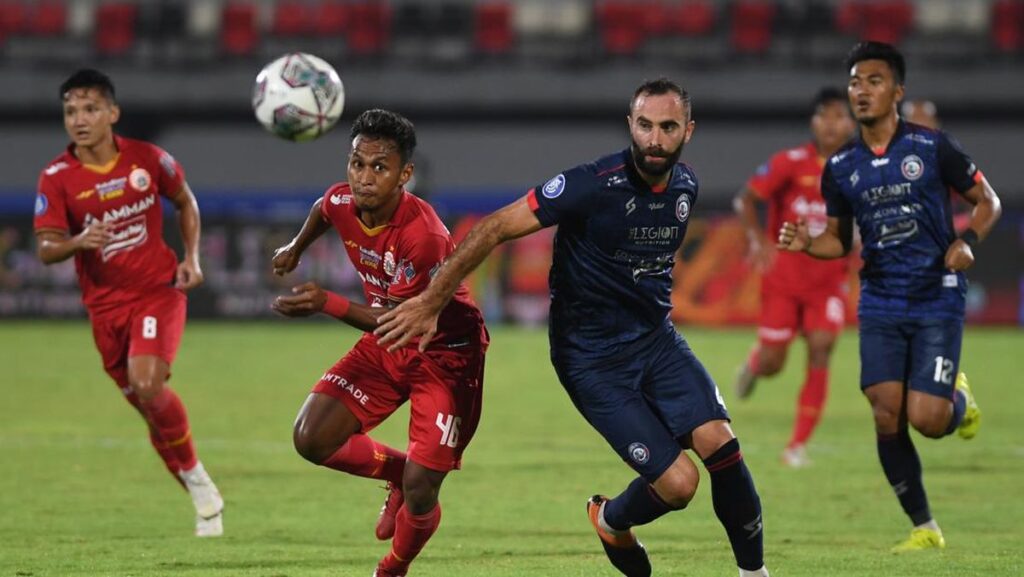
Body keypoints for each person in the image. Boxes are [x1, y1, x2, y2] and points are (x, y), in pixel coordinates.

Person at [376, 79, 769, 577]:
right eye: (644, 125)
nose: (654, 138)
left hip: (656, 341)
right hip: (592, 360)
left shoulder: (684, 187)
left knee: (721, 441)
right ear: (630, 124)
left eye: (667, 127)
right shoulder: (592, 184)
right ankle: (610, 520)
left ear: (687, 131)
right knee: (679, 485)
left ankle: (754, 574)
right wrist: (431, 301)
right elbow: (495, 226)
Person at [777, 42, 1001, 551]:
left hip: (935, 295)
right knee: (884, 411)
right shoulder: (841, 166)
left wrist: (967, 242)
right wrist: (807, 243)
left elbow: (987, 201)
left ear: (897, 92)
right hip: (879, 298)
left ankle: (957, 401)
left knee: (926, 418)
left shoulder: (932, 147)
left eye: (873, 81)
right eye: (856, 81)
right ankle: (924, 528)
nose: (861, 90)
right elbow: (837, 238)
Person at [271, 109, 488, 577]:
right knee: (310, 438)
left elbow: (405, 322)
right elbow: (323, 208)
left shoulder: (423, 236)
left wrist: (327, 303)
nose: (364, 178)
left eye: (379, 167)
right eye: (356, 163)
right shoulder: (343, 200)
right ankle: (395, 473)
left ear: (404, 174)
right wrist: (296, 247)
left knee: (422, 489)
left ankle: (392, 568)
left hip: (446, 355)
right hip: (386, 340)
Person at [33, 69, 223, 536]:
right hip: (105, 312)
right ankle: (201, 492)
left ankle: (197, 480)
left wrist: (193, 259)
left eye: (90, 109)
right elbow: (45, 249)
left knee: (147, 382)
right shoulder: (57, 179)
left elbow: (185, 201)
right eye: (71, 111)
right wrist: (79, 241)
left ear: (112, 113)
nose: (80, 119)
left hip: (157, 292)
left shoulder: (147, 160)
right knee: (149, 409)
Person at [732, 87, 856, 468]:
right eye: (825, 116)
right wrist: (758, 240)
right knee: (773, 363)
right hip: (784, 280)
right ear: (813, 122)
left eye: (840, 116)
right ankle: (755, 364)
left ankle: (796, 445)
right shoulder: (790, 162)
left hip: (829, 283)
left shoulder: (862, 167)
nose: (832, 124)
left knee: (821, 348)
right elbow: (746, 199)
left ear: (852, 122)